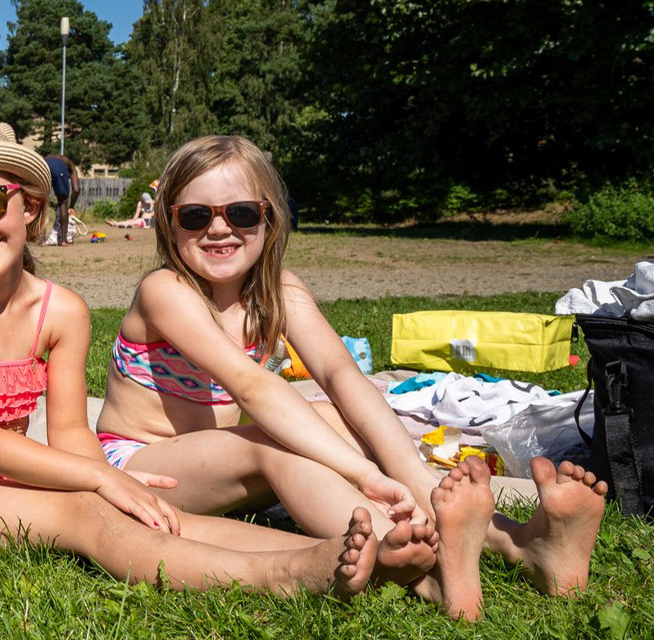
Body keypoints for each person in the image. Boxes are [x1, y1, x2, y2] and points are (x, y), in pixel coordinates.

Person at [0, 120, 432, 600]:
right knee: (89, 515)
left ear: (29, 205)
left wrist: (108, 480)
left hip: (14, 478)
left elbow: (71, 431)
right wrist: (102, 481)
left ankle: (343, 554)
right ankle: (287, 573)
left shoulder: (63, 310)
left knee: (158, 513)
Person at [93, 135, 609, 620]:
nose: (220, 229)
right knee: (273, 443)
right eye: (197, 216)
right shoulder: (165, 290)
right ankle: (414, 556)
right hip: (140, 466)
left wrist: (412, 472)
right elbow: (254, 387)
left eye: (242, 213)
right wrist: (364, 475)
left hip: (211, 458)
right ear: (168, 222)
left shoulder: (278, 291)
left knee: (334, 419)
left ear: (270, 219)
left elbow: (343, 375)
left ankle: (517, 545)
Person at [42, 154, 74, 245]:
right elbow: (76, 189)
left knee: (43, 201)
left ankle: (42, 240)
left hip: (45, 165)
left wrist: (51, 204)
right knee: (63, 202)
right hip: (57, 168)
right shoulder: (69, 163)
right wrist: (71, 206)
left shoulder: (46, 158)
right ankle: (63, 240)